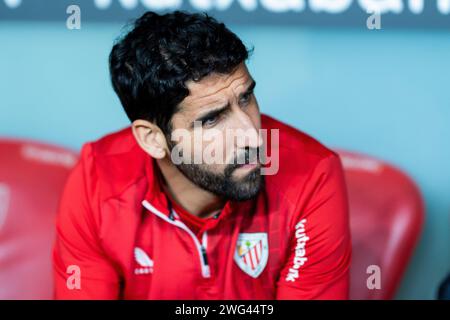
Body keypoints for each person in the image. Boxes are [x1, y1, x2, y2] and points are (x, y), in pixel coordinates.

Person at [53, 10, 351, 299]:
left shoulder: (312, 174)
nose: (251, 136)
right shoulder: (97, 179)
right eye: (212, 119)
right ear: (153, 139)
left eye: (245, 97)